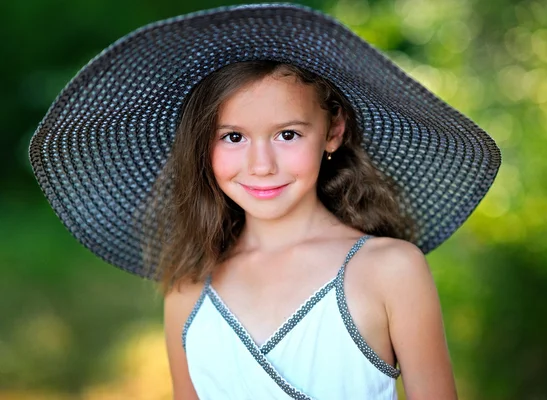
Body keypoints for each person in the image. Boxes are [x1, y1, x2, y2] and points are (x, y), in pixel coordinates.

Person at [29, 4, 501, 400]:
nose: (261, 165)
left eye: (288, 134)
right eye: (233, 136)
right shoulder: (189, 289)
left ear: (333, 131)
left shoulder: (390, 270)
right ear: (202, 145)